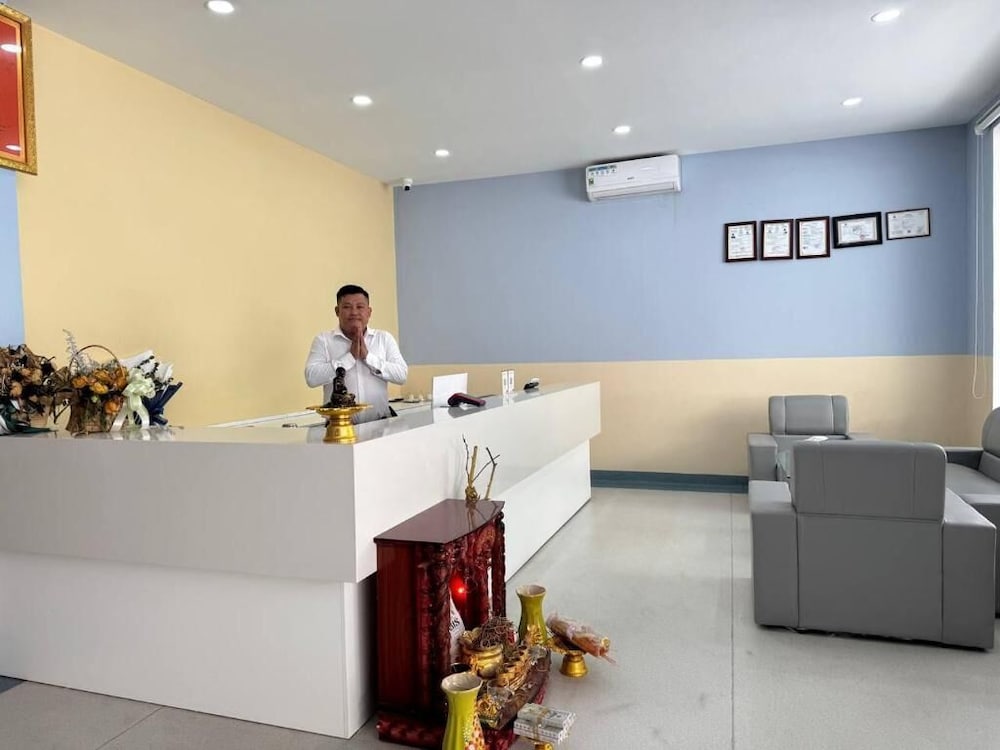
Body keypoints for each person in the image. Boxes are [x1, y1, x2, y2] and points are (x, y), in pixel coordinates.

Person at [304, 284, 408, 423]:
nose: (354, 312)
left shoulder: (384, 338)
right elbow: (311, 378)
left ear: (369, 312)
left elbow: (401, 375)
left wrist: (368, 358)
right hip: (338, 427)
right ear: (337, 311)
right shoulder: (324, 340)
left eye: (360, 307)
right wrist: (348, 358)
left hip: (380, 425)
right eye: (347, 307)